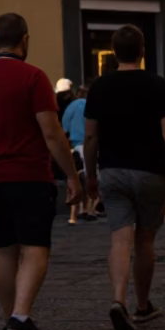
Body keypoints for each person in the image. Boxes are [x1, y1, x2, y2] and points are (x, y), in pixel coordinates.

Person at [0, 12, 82, 330]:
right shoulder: (34, 77)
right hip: (28, 177)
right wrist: (71, 174)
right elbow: (52, 133)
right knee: (36, 247)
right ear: (24, 39)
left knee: (4, 252)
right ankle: (21, 318)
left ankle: (10, 321)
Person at [83, 25, 165, 330]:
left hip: (112, 171)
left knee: (120, 238)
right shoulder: (157, 85)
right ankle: (143, 305)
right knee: (145, 240)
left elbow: (91, 138)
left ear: (114, 53)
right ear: (143, 51)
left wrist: (90, 175)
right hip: (149, 172)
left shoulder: (99, 87)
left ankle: (118, 299)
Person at [62, 83, 91, 225]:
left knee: (78, 176)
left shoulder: (71, 107)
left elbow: (64, 126)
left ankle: (75, 213)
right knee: (89, 176)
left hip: (74, 145)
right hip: (88, 144)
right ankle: (88, 208)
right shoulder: (91, 105)